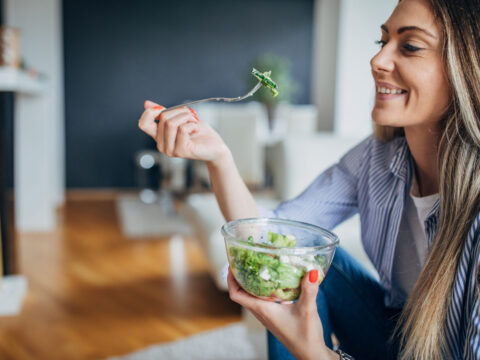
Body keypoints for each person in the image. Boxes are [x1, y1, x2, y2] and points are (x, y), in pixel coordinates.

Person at [138, 0, 480, 358]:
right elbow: (274, 239)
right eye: (383, 42)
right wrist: (219, 157)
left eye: (409, 46)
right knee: (295, 261)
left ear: (465, 67)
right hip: (397, 335)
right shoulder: (377, 159)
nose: (377, 61)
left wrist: (316, 354)